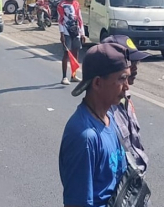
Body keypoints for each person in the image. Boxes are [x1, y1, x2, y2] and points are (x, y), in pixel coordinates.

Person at [59, 43, 129, 207]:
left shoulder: (110, 118)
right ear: (97, 83)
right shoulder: (84, 138)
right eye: (121, 79)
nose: (127, 87)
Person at [102, 35, 151, 175]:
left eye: (137, 62)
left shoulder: (125, 98)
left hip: (135, 183)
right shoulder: (104, 108)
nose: (135, 68)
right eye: (130, 62)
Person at [58, 0, 86, 85]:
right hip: (66, 32)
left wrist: (82, 33)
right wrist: (61, 34)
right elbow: (60, 19)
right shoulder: (62, 5)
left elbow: (80, 18)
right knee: (66, 53)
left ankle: (73, 75)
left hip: (76, 32)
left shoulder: (77, 4)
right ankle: (64, 77)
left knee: (75, 54)